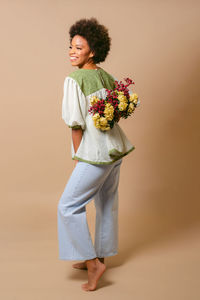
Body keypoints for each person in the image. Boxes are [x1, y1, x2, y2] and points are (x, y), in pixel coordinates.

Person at [57, 17, 140, 292]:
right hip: (116, 150)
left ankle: (93, 263)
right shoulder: (105, 75)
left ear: (92, 51)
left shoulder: (74, 79)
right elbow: (118, 107)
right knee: (106, 203)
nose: (72, 52)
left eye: (78, 48)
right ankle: (100, 255)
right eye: (71, 46)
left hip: (95, 155)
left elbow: (76, 125)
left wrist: (79, 158)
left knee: (68, 207)